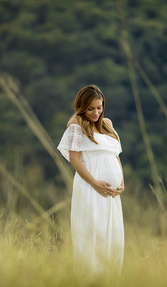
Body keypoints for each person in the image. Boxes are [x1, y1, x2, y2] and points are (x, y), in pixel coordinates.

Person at [57, 85, 125, 275]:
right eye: (91, 108)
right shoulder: (77, 123)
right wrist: (95, 183)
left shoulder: (107, 124)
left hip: (111, 194)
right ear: (82, 107)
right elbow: (74, 158)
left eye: (100, 107)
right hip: (90, 188)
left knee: (114, 238)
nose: (96, 112)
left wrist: (121, 182)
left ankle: (111, 284)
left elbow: (115, 155)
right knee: (93, 235)